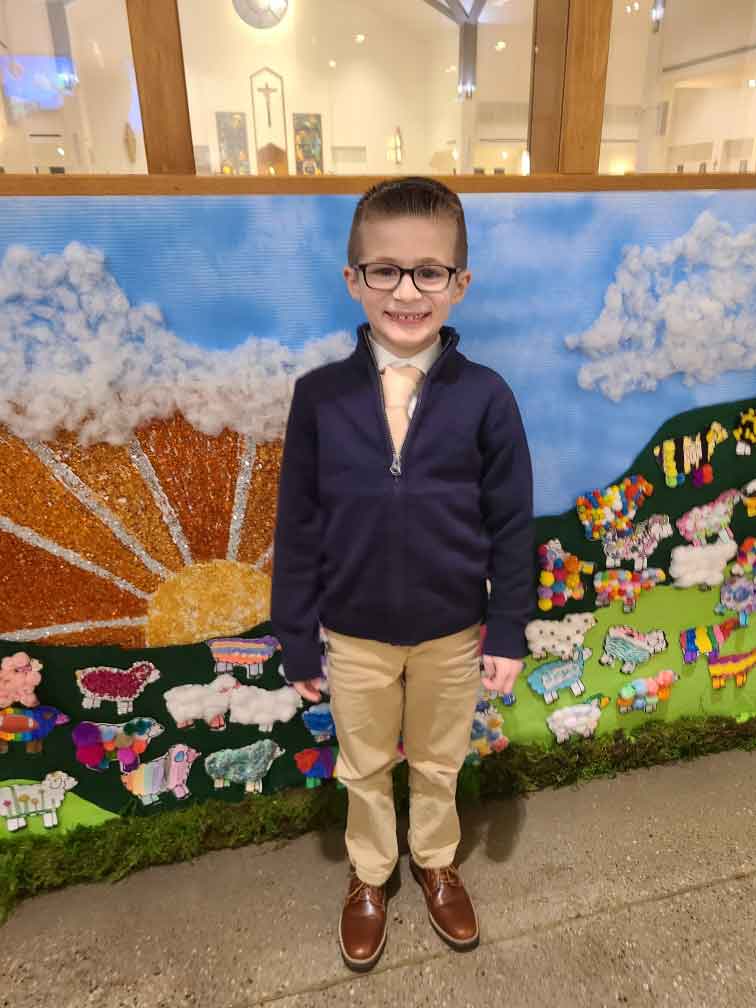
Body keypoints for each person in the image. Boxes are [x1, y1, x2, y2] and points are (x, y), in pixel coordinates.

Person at [271, 176, 534, 972]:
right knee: (363, 764)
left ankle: (436, 859)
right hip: (352, 634)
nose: (408, 291)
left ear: (460, 283)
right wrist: (296, 636)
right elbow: (298, 522)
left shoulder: (486, 397)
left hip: (453, 630)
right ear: (354, 279)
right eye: (385, 270)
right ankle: (370, 873)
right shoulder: (318, 397)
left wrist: (509, 627)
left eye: (430, 271)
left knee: (438, 758)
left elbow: (512, 524)